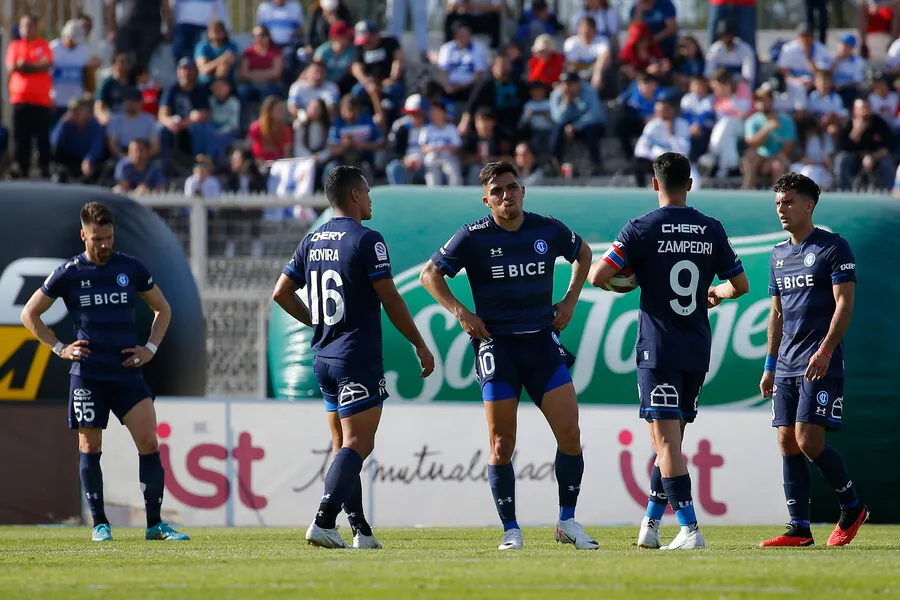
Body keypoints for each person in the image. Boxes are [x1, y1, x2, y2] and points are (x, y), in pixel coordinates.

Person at [419, 161, 597, 551]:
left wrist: (569, 300)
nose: (506, 195)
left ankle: (567, 520)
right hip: (497, 346)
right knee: (502, 442)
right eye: (497, 191)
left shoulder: (547, 229)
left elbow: (584, 254)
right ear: (487, 200)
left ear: (522, 191)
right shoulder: (472, 236)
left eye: (511, 187)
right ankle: (511, 530)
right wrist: (460, 311)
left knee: (570, 434)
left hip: (542, 343)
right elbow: (429, 274)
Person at [587, 152, 749, 551]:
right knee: (671, 442)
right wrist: (715, 293)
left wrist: (627, 283)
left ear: (654, 184)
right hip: (696, 348)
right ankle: (651, 525)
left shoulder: (640, 229)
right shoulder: (711, 229)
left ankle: (690, 529)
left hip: (658, 348)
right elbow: (740, 285)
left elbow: (597, 276)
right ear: (690, 184)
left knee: (666, 445)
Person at [272, 165, 434, 549]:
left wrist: (317, 321)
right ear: (356, 195)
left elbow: (280, 292)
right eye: (367, 190)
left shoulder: (311, 241)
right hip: (355, 356)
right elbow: (390, 299)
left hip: (324, 356)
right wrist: (419, 343)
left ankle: (360, 530)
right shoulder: (366, 239)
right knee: (359, 444)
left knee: (343, 446)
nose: (372, 198)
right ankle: (324, 519)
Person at [20, 202, 189, 543]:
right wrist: (60, 348)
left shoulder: (130, 268)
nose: (104, 244)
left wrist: (150, 348)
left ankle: (155, 524)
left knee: (149, 441)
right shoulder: (69, 273)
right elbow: (29, 314)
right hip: (88, 374)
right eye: (97, 238)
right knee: (89, 445)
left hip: (127, 372)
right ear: (84, 235)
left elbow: (163, 309)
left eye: (109, 237)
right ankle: (100, 524)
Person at [758, 174, 868, 547]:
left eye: (788, 202)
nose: (782, 210)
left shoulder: (833, 248)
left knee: (808, 440)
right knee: (787, 441)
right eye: (777, 203)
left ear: (809, 205)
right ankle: (799, 528)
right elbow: (776, 314)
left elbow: (845, 305)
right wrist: (770, 364)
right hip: (786, 364)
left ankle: (852, 506)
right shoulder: (777, 254)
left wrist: (824, 351)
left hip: (820, 360)